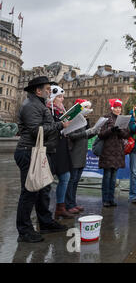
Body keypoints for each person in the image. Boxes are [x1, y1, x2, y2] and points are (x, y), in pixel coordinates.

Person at [15, 76, 70, 243]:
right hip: (29, 151)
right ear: (38, 90)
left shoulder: (37, 103)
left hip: (37, 151)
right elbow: (35, 131)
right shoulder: (31, 105)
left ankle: (45, 222)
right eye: (47, 89)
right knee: (30, 192)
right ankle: (24, 231)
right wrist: (60, 125)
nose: (49, 91)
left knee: (42, 190)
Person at [65, 99, 99, 214]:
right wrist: (86, 132)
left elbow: (84, 137)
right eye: (86, 108)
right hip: (74, 153)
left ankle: (73, 203)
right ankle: (68, 204)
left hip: (81, 153)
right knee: (72, 180)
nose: (88, 110)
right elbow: (71, 135)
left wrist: (94, 131)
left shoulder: (84, 120)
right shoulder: (74, 119)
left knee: (76, 180)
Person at [46, 85, 75, 219]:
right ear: (52, 97)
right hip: (52, 148)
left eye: (63, 97)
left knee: (66, 177)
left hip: (62, 146)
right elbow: (48, 128)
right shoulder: (47, 110)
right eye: (59, 97)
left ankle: (60, 207)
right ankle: (44, 209)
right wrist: (62, 126)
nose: (62, 99)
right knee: (47, 181)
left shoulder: (60, 111)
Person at [98, 99, 129, 207]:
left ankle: (111, 199)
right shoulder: (106, 118)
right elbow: (100, 134)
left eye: (119, 108)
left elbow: (126, 134)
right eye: (116, 107)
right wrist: (111, 130)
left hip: (118, 152)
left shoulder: (123, 119)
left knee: (113, 177)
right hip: (107, 151)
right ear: (112, 108)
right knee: (107, 176)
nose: (118, 109)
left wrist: (120, 130)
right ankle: (105, 199)